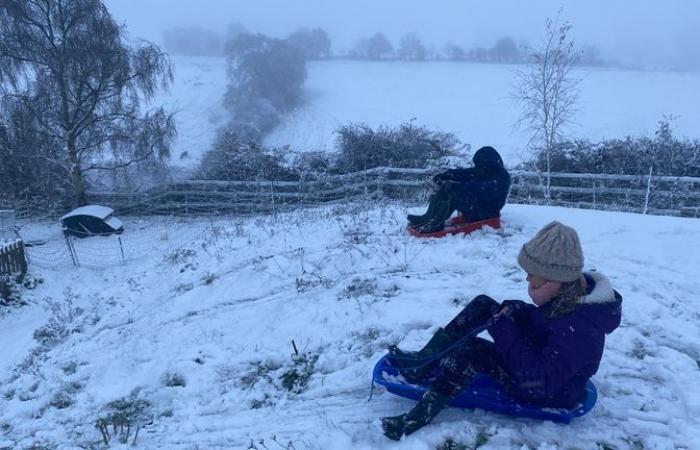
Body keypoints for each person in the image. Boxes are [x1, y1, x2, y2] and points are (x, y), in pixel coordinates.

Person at [381, 221, 623, 440]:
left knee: (471, 353)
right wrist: (519, 311)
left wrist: (506, 331)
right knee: (484, 305)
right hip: (540, 358)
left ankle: (417, 416)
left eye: (532, 279)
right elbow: (544, 323)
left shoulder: (579, 330)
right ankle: (422, 364)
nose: (528, 281)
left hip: (549, 390)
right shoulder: (567, 297)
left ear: (553, 281)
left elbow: (540, 380)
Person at [408, 146, 511, 234]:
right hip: (477, 207)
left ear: (488, 164)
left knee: (456, 194)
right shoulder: (483, 171)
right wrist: (445, 175)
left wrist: (455, 186)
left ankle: (437, 224)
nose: (477, 167)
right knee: (444, 190)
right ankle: (428, 217)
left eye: (480, 165)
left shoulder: (502, 177)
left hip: (486, 213)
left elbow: (482, 189)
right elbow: (464, 173)